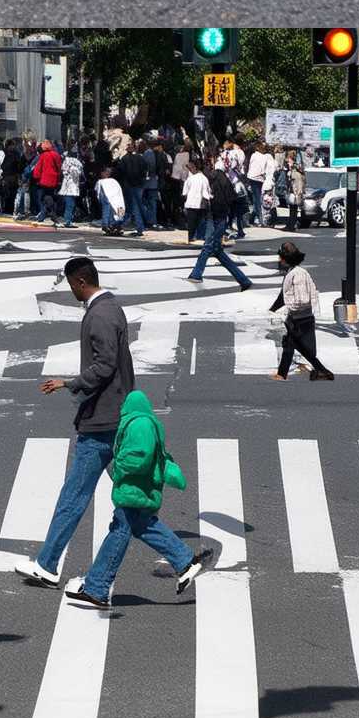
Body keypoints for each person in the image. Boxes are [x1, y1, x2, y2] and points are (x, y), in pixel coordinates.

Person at [22, 256, 133, 587]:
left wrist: (69, 383)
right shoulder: (111, 307)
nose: (70, 289)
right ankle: (182, 559)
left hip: (101, 418)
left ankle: (48, 564)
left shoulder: (98, 315)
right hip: (117, 412)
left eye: (71, 284)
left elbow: (105, 365)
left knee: (74, 496)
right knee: (129, 496)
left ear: (80, 282)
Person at [67, 390, 212, 609]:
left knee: (119, 532)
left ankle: (97, 588)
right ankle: (185, 562)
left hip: (134, 490)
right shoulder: (145, 422)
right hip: (140, 490)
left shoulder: (139, 425)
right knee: (145, 526)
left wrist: (118, 466)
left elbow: (139, 458)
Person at [270, 241, 335, 378]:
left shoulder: (298, 274)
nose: (279, 260)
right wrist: (272, 309)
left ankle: (284, 375)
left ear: (285, 258)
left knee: (292, 345)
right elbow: (283, 296)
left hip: (300, 317)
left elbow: (302, 299)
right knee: (294, 345)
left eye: (280, 257)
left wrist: (291, 309)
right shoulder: (292, 272)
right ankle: (319, 371)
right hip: (299, 316)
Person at [187, 162, 254, 286]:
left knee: (209, 246)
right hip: (222, 215)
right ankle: (243, 280)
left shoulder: (207, 179)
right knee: (216, 249)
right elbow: (232, 199)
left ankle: (196, 274)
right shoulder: (225, 182)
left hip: (211, 215)